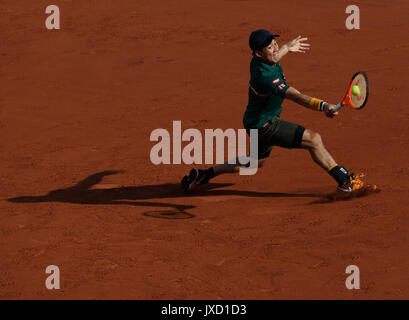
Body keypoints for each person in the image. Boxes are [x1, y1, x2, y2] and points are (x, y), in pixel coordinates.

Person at [181, 29, 355, 193]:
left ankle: (204, 174)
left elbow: (276, 56)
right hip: (266, 125)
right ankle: (344, 181)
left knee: (254, 162)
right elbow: (296, 96)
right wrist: (324, 106)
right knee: (313, 139)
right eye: (270, 47)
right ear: (259, 53)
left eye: (275, 43)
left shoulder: (260, 60)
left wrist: (287, 46)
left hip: (253, 121)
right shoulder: (266, 77)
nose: (276, 49)